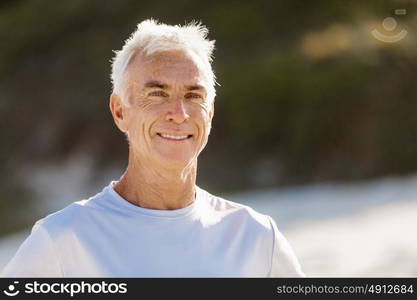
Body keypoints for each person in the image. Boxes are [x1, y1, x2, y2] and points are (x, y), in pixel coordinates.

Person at [1, 19, 304, 277]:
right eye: (157, 93)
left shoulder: (257, 237)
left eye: (193, 95)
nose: (179, 112)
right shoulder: (63, 239)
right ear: (120, 111)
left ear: (210, 113)